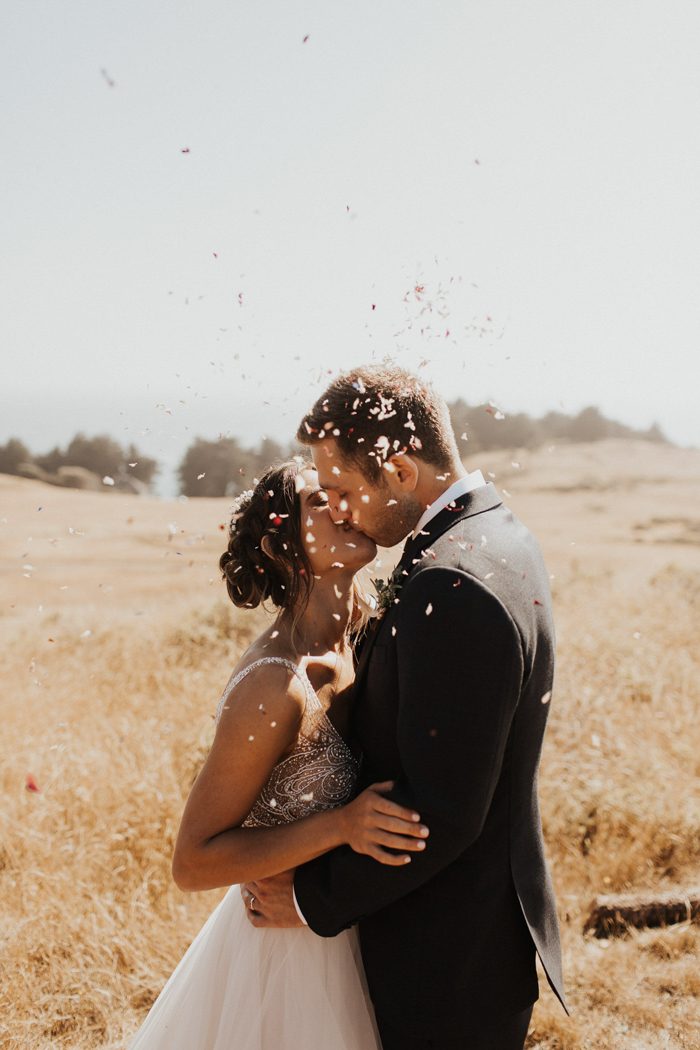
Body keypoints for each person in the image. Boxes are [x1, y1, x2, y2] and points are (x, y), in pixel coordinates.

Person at [241, 365, 568, 1050]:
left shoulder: (450, 582)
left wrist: (307, 899)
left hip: (443, 957)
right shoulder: (500, 535)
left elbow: (440, 813)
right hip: (475, 937)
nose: (339, 509)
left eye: (342, 488)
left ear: (396, 470)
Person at [127, 459, 431, 1050]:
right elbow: (193, 863)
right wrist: (342, 825)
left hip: (345, 922)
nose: (346, 503)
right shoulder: (273, 684)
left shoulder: (366, 630)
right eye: (321, 500)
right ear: (280, 543)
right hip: (280, 961)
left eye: (345, 490)